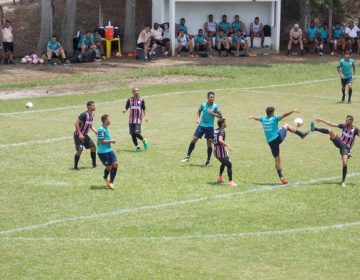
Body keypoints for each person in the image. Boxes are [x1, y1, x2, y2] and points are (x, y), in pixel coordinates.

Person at [249, 107, 309, 184]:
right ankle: (301, 134)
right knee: (286, 126)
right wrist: (293, 110)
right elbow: (285, 114)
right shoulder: (274, 118)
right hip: (277, 139)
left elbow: (257, 118)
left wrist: (252, 117)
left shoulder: (263, 119)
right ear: (272, 113)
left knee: (277, 159)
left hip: (270, 142)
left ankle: (281, 177)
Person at [310, 116, 359, 187]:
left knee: (345, 163)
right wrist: (322, 120)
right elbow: (332, 124)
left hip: (346, 148)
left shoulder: (355, 130)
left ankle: (343, 181)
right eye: (345, 120)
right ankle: (314, 128)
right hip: (339, 142)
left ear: (351, 121)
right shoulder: (344, 126)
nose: (345, 121)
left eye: (347, 120)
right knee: (330, 130)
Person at [181, 91, 222, 167]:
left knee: (209, 144)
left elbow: (220, 116)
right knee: (194, 139)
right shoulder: (203, 105)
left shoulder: (215, 106)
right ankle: (187, 157)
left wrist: (213, 113)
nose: (212, 98)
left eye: (213, 97)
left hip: (209, 127)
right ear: (208, 97)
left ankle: (208, 161)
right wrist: (198, 119)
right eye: (211, 97)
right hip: (202, 126)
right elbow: (199, 111)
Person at [123, 87, 149, 152]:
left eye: (137, 91)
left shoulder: (141, 100)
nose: (136, 92)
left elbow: (144, 109)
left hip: (138, 120)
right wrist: (124, 110)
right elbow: (126, 107)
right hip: (131, 120)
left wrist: (146, 117)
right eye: (135, 91)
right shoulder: (130, 100)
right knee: (132, 134)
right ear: (133, 92)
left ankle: (143, 140)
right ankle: (137, 147)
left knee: (136, 133)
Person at [73, 101, 97, 170]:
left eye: (94, 105)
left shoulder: (92, 115)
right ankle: (75, 167)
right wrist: (80, 134)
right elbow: (76, 123)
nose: (94, 106)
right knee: (79, 150)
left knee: (93, 147)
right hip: (78, 135)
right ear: (89, 106)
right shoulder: (84, 114)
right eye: (93, 105)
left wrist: (95, 131)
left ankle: (94, 164)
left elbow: (90, 124)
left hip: (85, 136)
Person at [214, 118, 237, 187]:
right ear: (222, 124)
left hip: (217, 150)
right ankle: (230, 181)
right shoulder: (222, 130)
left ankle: (220, 178)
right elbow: (220, 140)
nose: (226, 124)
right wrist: (228, 145)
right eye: (225, 122)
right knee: (229, 164)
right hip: (220, 151)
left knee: (224, 162)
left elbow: (212, 139)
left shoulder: (216, 130)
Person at [97, 114, 118, 190]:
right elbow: (101, 141)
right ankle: (105, 177)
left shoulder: (105, 128)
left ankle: (111, 182)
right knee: (109, 167)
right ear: (105, 121)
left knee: (115, 164)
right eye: (109, 119)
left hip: (109, 150)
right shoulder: (101, 129)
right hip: (102, 152)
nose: (110, 120)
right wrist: (111, 140)